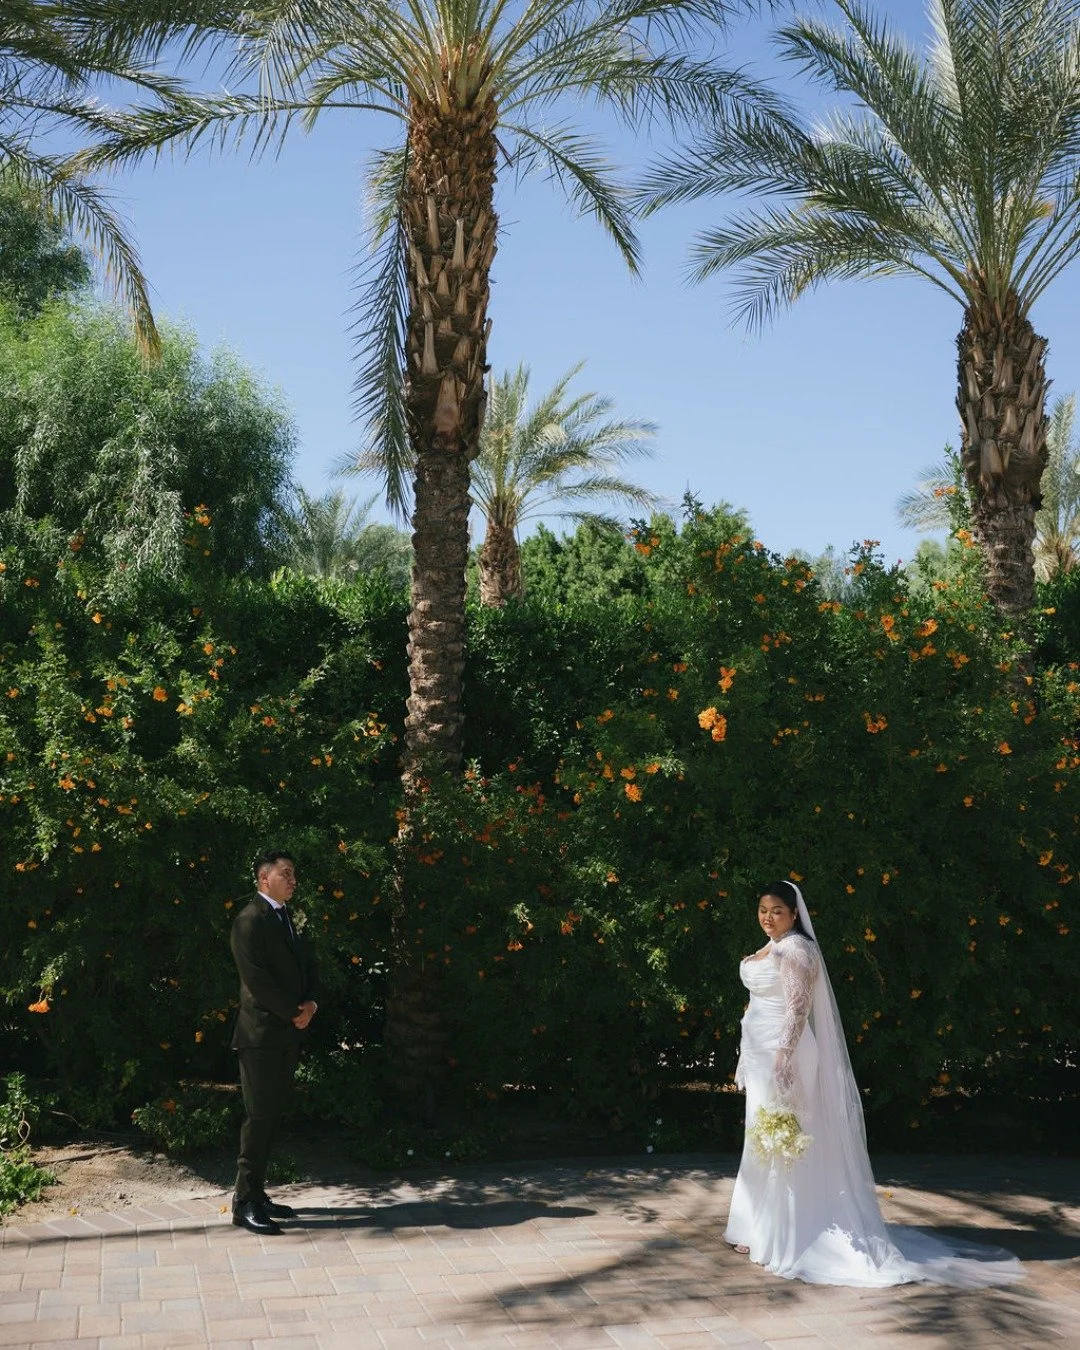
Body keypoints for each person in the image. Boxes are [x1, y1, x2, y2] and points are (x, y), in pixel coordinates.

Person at [725, 879, 1023, 1286]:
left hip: (784, 1053)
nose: (767, 917)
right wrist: (748, 1055)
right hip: (761, 1051)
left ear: (795, 914)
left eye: (777, 910)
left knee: (787, 1138)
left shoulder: (796, 949)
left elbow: (797, 1011)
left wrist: (782, 1059)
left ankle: (787, 1231)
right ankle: (755, 1224)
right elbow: (757, 1004)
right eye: (763, 909)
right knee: (762, 1136)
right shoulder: (772, 946)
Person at [229, 850, 319, 1235]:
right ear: (264, 879)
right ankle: (243, 1202)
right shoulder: (248, 920)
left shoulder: (286, 918)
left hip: (287, 1031)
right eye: (286, 873)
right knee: (258, 1116)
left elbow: (307, 965)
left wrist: (312, 1003)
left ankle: (258, 1193)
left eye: (294, 873)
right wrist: (292, 1011)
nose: (293, 880)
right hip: (261, 1035)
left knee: (271, 1117)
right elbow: (257, 980)